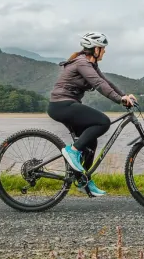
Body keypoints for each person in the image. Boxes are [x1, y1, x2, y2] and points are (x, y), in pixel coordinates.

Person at [48, 32, 137, 197]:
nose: (104, 52)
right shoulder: (82, 63)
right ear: (95, 49)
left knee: (90, 143)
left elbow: (106, 82)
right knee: (103, 122)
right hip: (61, 105)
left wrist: (124, 95)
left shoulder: (91, 65)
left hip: (68, 104)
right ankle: (72, 151)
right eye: (102, 48)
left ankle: (83, 181)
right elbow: (98, 84)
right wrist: (120, 100)